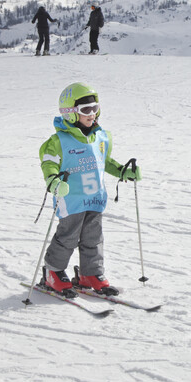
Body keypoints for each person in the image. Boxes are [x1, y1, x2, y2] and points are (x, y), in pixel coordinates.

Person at [36, 83, 141, 297]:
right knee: (68, 237)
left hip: (94, 198)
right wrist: (54, 182)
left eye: (95, 108)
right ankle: (52, 272)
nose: (92, 114)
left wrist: (122, 172)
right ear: (70, 113)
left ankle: (90, 273)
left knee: (93, 238)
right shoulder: (58, 142)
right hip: (72, 199)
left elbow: (105, 162)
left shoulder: (101, 137)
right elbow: (49, 165)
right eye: (85, 110)